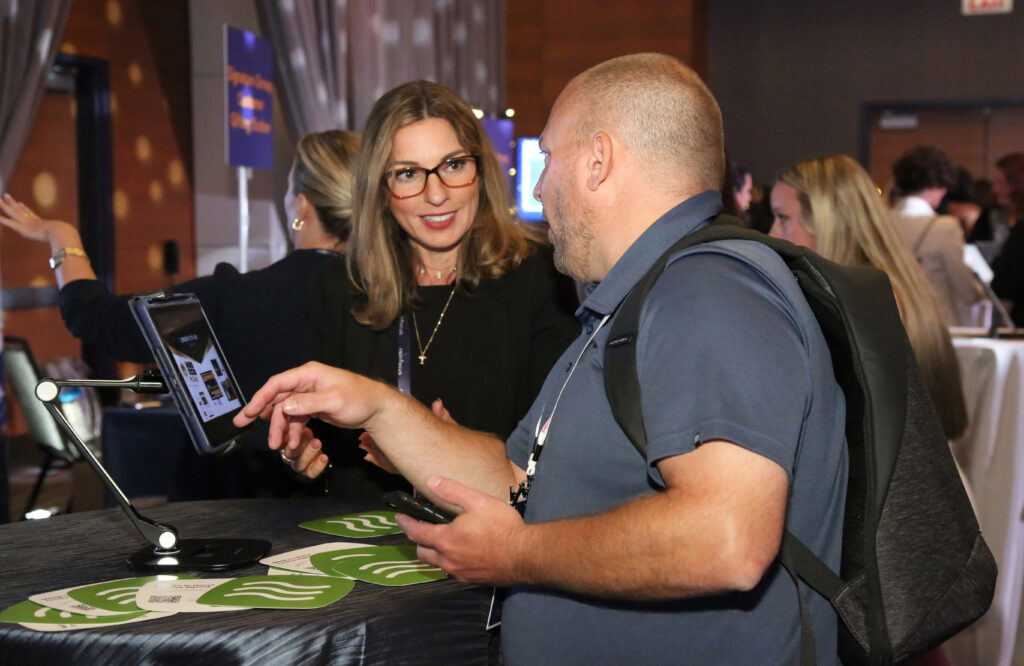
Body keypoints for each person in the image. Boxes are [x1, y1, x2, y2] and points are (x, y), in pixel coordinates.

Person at [238, 53, 848, 664]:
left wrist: (514, 554)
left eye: (549, 158)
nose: (534, 186)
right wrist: (378, 406)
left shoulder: (707, 293)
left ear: (599, 160)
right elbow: (519, 480)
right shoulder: (633, 300)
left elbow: (726, 539)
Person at [0, 129, 361, 498]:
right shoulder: (392, 299)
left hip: (232, 515)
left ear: (301, 206)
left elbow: (94, 317)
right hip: (362, 513)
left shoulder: (232, 295)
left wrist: (61, 236)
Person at [302, 80, 581, 500]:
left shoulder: (539, 278)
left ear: (481, 171)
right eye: (408, 173)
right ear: (380, 190)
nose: (436, 194)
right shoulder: (343, 285)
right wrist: (300, 460)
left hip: (490, 541)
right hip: (362, 541)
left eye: (453, 165)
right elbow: (327, 458)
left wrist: (435, 451)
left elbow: (555, 461)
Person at [769, 153, 968, 440]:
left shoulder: (856, 306)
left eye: (783, 218)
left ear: (826, 220)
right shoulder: (897, 289)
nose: (772, 233)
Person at [889, 145, 985, 325]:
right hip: (934, 325)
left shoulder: (881, 222)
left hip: (892, 324)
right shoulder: (943, 227)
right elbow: (966, 289)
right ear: (938, 186)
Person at [990, 152, 1024, 324]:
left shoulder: (1021, 229)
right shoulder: (990, 214)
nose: (995, 189)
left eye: (1002, 183)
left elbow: (1006, 288)